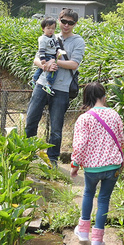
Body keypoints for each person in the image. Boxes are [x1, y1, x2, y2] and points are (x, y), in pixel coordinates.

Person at [69, 81, 124, 245]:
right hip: (112, 166)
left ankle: (83, 232)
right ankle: (97, 241)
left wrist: (75, 164)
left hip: (92, 168)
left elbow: (80, 145)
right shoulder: (114, 115)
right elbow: (122, 141)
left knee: (88, 193)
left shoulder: (84, 118)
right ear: (104, 97)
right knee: (104, 200)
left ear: (86, 98)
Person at [25, 8, 85, 165]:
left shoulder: (78, 41)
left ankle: (52, 159)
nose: (66, 25)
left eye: (70, 23)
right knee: (31, 120)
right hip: (42, 84)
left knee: (56, 128)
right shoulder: (50, 36)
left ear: (75, 24)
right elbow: (36, 59)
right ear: (59, 21)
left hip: (62, 89)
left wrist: (55, 62)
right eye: (64, 21)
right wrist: (45, 66)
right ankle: (28, 154)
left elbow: (74, 64)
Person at [32, 17, 62, 94]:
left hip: (53, 55)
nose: (51, 30)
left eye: (53, 28)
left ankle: (34, 80)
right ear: (43, 28)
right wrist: (42, 59)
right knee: (54, 69)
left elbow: (57, 44)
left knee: (42, 69)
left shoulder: (54, 36)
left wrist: (58, 50)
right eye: (48, 28)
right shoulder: (42, 39)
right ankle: (48, 85)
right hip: (47, 55)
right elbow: (41, 50)